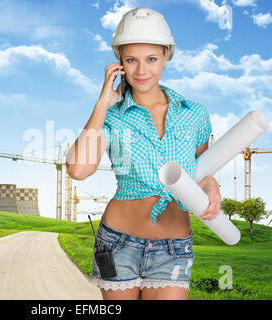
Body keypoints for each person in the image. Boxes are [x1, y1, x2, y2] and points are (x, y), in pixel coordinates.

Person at [66, 7, 221, 300]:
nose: (141, 70)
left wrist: (212, 185)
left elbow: (203, 169)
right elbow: (78, 170)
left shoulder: (195, 114)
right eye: (131, 60)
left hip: (174, 246)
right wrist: (102, 103)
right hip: (117, 242)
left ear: (166, 56)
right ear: (120, 63)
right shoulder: (110, 116)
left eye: (151, 59)